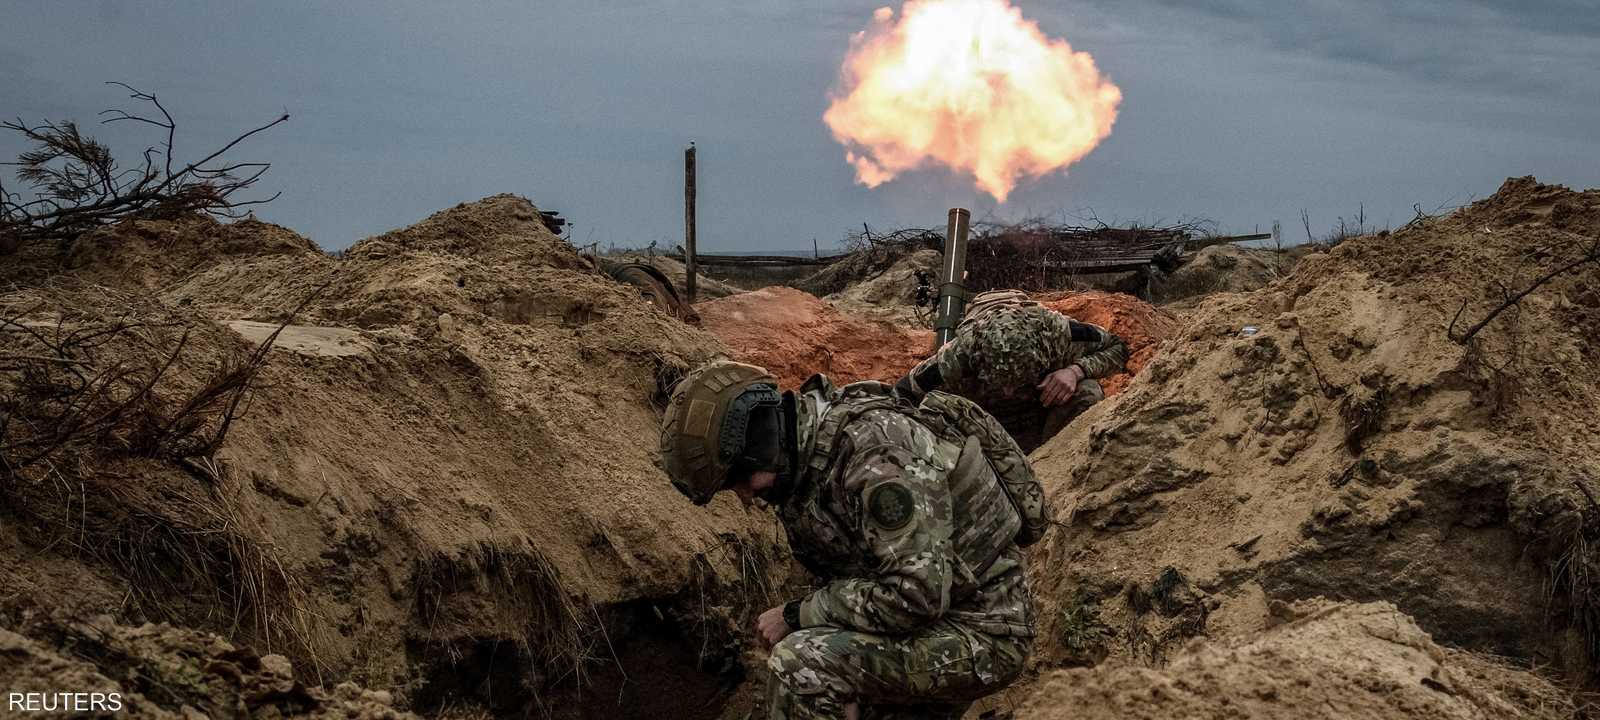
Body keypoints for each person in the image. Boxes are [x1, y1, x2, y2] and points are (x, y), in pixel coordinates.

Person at [658, 360, 1044, 719]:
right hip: (928, 625)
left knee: (799, 666)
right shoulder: (806, 461)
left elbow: (916, 594)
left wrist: (798, 615)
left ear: (757, 447)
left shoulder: (877, 455)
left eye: (736, 481)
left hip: (980, 633)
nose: (743, 496)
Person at [897, 289, 1128, 452]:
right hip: (984, 426)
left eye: (1017, 382)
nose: (1008, 391)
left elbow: (1118, 348)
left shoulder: (1060, 334)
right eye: (1000, 382)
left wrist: (1076, 371)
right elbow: (903, 393)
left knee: (1088, 391)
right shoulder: (956, 357)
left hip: (1043, 414)